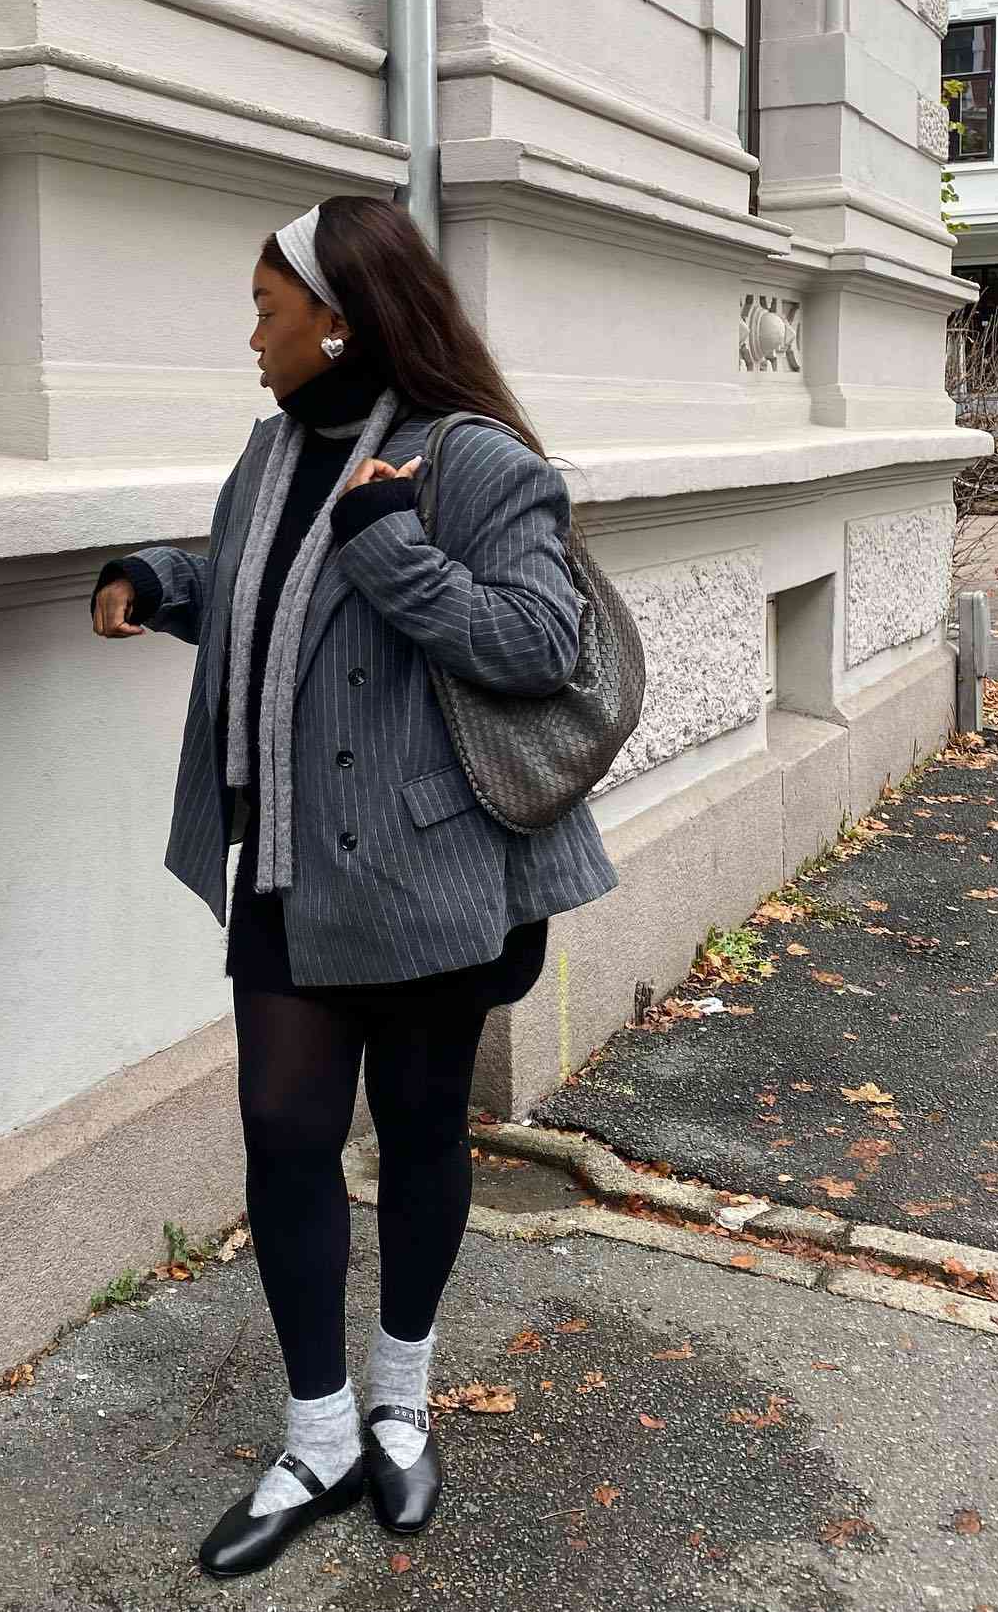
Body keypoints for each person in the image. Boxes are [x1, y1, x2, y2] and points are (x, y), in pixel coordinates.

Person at [91, 195, 618, 1578]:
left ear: (338, 317)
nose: (251, 338)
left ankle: (400, 1400)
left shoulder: (478, 459)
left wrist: (391, 546)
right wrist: (162, 579)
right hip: (288, 859)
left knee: (427, 1127)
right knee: (282, 1130)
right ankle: (318, 1433)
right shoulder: (272, 455)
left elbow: (535, 644)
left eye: (268, 310)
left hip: (435, 869)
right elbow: (272, 599)